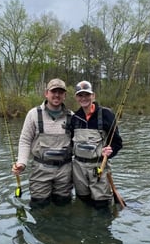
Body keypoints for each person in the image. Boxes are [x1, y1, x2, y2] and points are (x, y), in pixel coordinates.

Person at [12, 78, 73, 208]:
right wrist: (22, 163)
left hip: (65, 171)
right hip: (40, 169)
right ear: (46, 93)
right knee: (39, 205)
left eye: (60, 92)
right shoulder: (33, 114)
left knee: (64, 205)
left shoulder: (72, 116)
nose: (57, 95)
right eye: (53, 91)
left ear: (65, 95)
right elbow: (25, 140)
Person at [70, 80, 123, 209]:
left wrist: (110, 152)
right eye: (80, 95)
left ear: (93, 95)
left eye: (87, 95)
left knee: (102, 204)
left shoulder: (106, 114)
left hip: (99, 166)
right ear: (77, 98)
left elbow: (117, 142)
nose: (84, 98)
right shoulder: (74, 118)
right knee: (82, 201)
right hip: (78, 168)